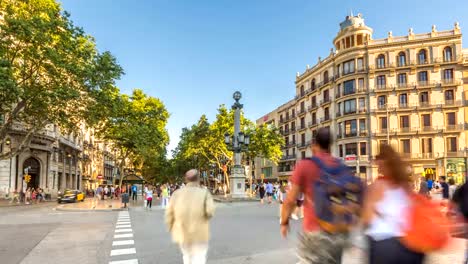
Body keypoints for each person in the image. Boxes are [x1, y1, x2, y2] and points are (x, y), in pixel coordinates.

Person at [280, 127, 350, 264]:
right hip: (339, 233)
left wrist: (284, 222)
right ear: (330, 144)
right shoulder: (341, 166)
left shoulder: (305, 165)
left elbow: (290, 200)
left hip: (315, 231)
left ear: (314, 145)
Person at [362, 144, 425, 264]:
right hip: (409, 245)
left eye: (377, 161)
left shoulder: (377, 186)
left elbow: (367, 218)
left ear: (382, 163)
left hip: (384, 245)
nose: (376, 165)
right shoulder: (405, 185)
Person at [165, 169, 215, 264]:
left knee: (187, 256)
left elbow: (169, 214)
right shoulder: (204, 193)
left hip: (182, 233)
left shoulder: (176, 194)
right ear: (198, 179)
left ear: (186, 179)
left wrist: (171, 228)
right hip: (200, 233)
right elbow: (210, 212)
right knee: (199, 258)